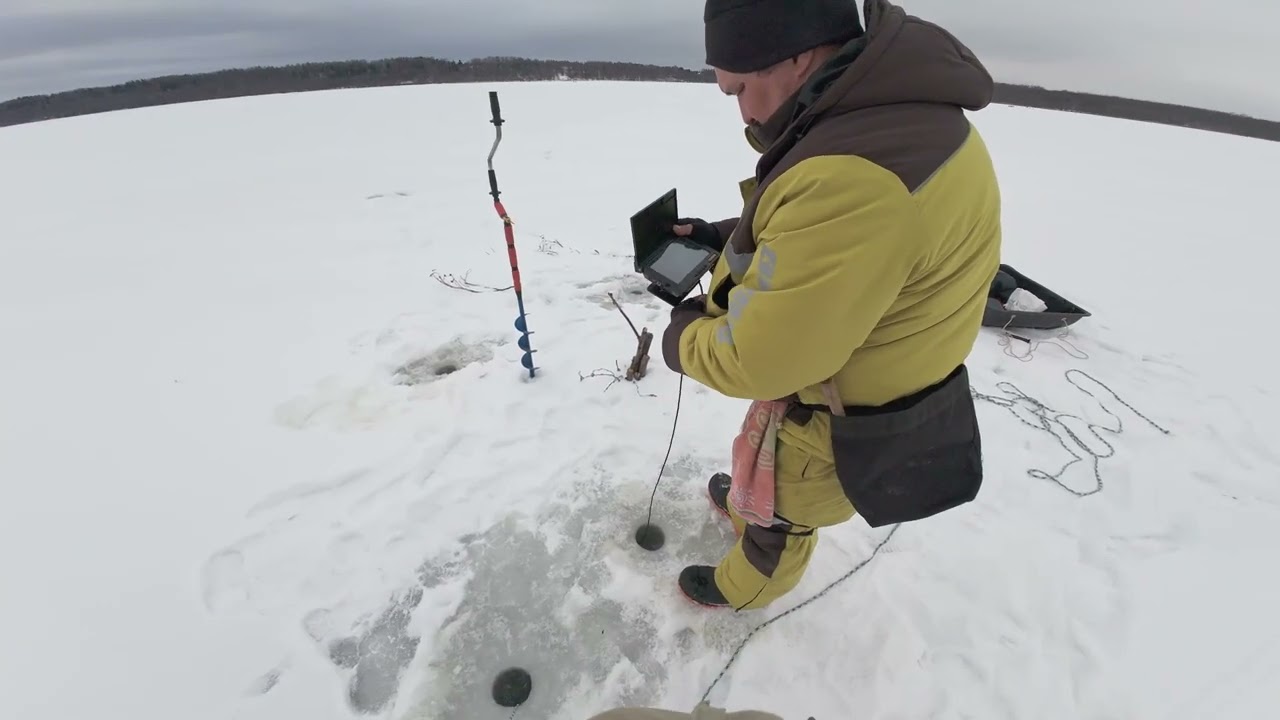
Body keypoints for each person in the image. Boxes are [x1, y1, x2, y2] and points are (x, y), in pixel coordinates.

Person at [662, 0, 1002, 610]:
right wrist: (725, 236)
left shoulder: (858, 176)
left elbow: (760, 359)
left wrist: (682, 340)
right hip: (841, 375)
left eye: (741, 87)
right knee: (763, 480)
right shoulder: (893, 117)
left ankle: (744, 588)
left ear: (794, 54)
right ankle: (746, 501)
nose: (741, 110)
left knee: (782, 520)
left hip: (833, 418)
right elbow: (817, 238)